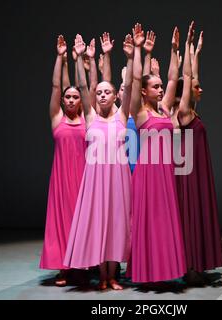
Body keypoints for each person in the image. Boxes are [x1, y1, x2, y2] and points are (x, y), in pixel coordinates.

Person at [64, 33, 134, 290]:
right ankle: (102, 276)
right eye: (100, 92)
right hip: (95, 179)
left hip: (118, 176)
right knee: (99, 222)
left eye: (108, 92)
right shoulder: (91, 116)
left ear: (116, 96)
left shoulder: (122, 115)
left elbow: (132, 87)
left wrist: (130, 56)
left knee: (116, 224)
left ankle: (112, 275)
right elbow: (83, 88)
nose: (103, 95)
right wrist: (81, 57)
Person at [128, 23, 187, 284]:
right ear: (144, 91)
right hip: (147, 172)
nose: (161, 89)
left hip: (164, 171)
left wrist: (174, 49)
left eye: (160, 87)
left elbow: (174, 78)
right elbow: (133, 80)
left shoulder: (164, 109)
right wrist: (139, 50)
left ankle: (164, 270)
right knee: (148, 221)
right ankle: (147, 271)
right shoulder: (140, 113)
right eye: (155, 87)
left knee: (164, 222)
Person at [173, 25, 222, 285]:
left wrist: (198, 53)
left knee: (199, 214)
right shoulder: (183, 112)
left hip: (199, 170)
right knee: (189, 215)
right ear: (186, 92)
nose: (201, 88)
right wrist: (187, 49)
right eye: (197, 86)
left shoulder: (192, 110)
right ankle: (190, 268)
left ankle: (197, 265)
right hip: (187, 172)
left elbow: (192, 77)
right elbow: (187, 76)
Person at [39, 35, 86, 287]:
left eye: (74, 97)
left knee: (83, 220)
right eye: (67, 98)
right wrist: (60, 57)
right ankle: (65, 268)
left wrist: (76, 60)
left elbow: (82, 86)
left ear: (80, 100)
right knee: (62, 222)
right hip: (61, 178)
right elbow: (57, 87)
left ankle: (84, 263)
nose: (69, 99)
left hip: (84, 177)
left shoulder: (88, 119)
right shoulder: (57, 117)